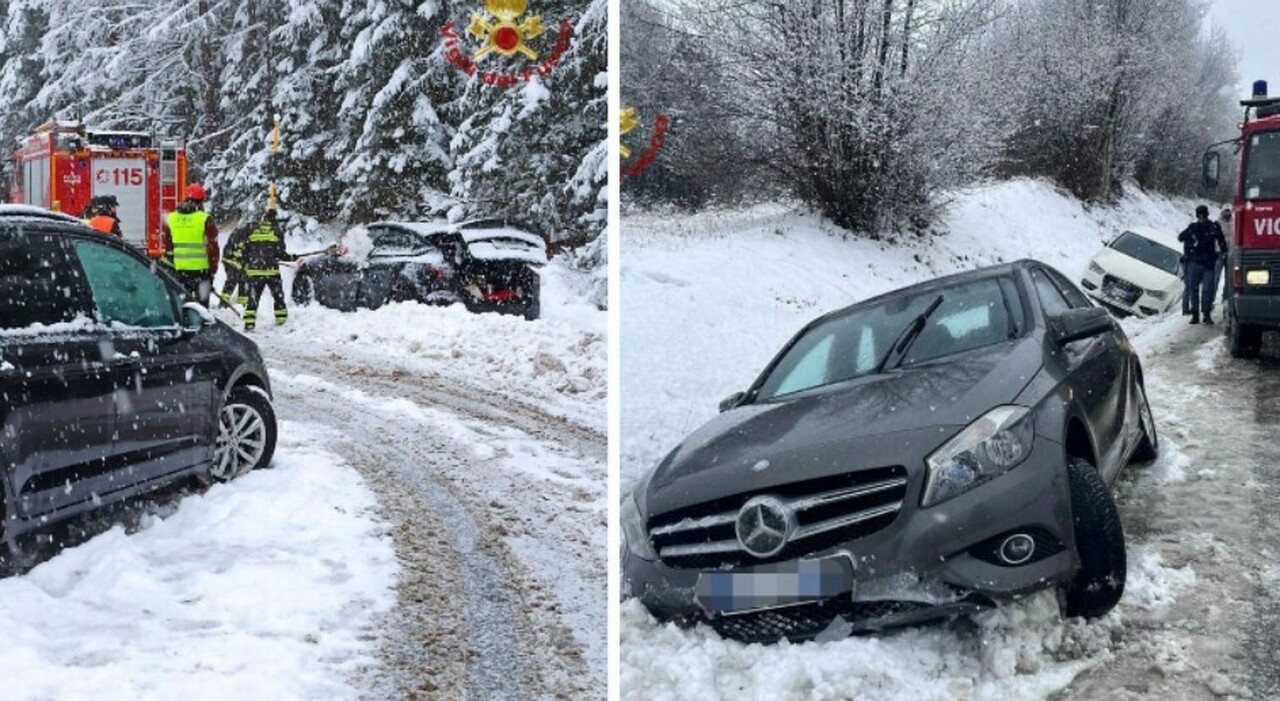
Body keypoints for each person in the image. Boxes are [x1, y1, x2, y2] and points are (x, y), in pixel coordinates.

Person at [161, 183, 219, 307]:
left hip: (180, 272)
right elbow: (212, 248)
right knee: (202, 308)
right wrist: (213, 269)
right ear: (201, 201)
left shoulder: (171, 218)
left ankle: (184, 325)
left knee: (181, 305)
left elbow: (168, 247)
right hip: (202, 273)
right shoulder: (204, 219)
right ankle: (200, 325)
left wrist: (173, 265)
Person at [240, 208, 295, 331]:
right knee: (278, 296)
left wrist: (248, 264)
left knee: (253, 298)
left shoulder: (253, 232)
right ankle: (281, 320)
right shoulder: (276, 232)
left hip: (254, 272)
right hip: (271, 271)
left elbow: (245, 252)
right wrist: (293, 257)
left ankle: (249, 323)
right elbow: (281, 253)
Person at [1178, 205, 1228, 325]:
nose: (1201, 217)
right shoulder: (1207, 227)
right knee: (1200, 291)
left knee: (1204, 291)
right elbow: (1181, 237)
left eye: (1202, 215)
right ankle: (1200, 315)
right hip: (1200, 263)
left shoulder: (1211, 227)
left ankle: (1203, 314)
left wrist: (1223, 252)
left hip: (1205, 264)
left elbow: (1222, 242)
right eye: (1200, 215)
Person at [219, 222, 251, 308]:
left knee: (243, 280)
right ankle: (223, 303)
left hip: (233, 260)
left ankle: (242, 304)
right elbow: (240, 252)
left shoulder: (242, 233)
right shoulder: (243, 236)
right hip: (231, 260)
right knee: (232, 280)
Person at [1217, 207, 1232, 304]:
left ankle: (1225, 297)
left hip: (1230, 252)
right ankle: (1211, 298)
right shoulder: (1217, 223)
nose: (1227, 213)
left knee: (1229, 277)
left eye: (1228, 211)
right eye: (1225, 211)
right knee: (1215, 276)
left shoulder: (1234, 222)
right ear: (1222, 212)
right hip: (1219, 252)